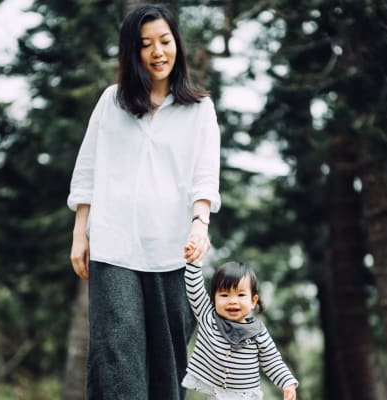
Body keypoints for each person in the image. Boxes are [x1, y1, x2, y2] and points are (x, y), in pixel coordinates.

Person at [67, 3, 220, 399]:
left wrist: (200, 224)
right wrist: (80, 233)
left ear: (176, 45)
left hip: (174, 251)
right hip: (114, 246)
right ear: (132, 52)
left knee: (168, 362)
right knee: (117, 354)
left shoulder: (199, 109)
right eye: (146, 44)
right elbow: (88, 170)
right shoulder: (110, 102)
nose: (157, 52)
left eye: (165, 41)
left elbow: (205, 175)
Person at [181, 258, 299, 400]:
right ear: (213, 300)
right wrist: (194, 260)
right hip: (216, 395)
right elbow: (194, 287)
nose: (232, 300)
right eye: (224, 295)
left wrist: (287, 383)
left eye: (241, 295)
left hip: (246, 396)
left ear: (253, 301)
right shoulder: (207, 315)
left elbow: (272, 361)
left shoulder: (257, 333)